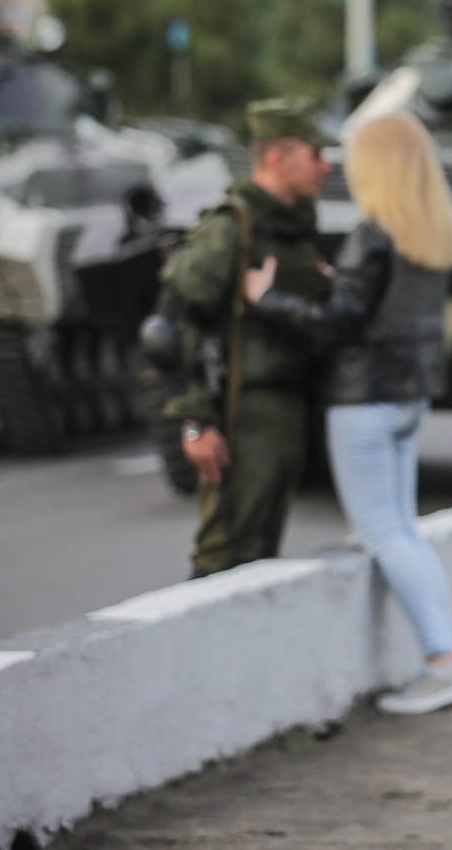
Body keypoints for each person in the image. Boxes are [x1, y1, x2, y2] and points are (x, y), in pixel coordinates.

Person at [243, 112, 452, 714]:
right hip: (408, 396)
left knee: (382, 533)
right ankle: (446, 657)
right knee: (403, 530)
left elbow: (337, 326)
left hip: (365, 398)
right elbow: (378, 306)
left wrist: (266, 299)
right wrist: (340, 282)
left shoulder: (372, 234)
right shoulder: (429, 232)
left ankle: (445, 662)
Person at [160, 97, 334, 578]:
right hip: (243, 410)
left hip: (289, 407)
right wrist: (195, 421)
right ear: (277, 156)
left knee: (260, 556)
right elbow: (170, 323)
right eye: (315, 154)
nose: (326, 166)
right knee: (225, 554)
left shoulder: (293, 230)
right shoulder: (231, 227)